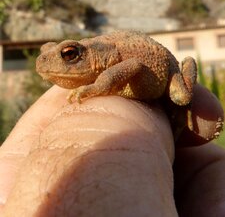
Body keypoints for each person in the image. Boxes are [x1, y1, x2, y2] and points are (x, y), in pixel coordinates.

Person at [0, 85, 225, 216]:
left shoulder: (107, 63)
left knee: (181, 96)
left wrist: (99, 87)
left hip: (165, 77)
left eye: (68, 55)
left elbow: (134, 67)